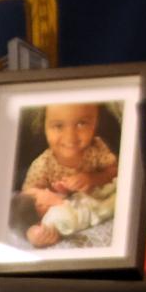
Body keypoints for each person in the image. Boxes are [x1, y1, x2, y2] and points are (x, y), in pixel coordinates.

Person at [17, 102, 121, 249]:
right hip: (65, 216)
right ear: (44, 127)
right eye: (58, 126)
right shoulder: (43, 165)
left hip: (95, 201)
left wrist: (92, 178)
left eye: (81, 123)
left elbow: (115, 172)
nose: (70, 136)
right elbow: (25, 199)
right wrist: (34, 232)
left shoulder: (97, 148)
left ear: (94, 124)